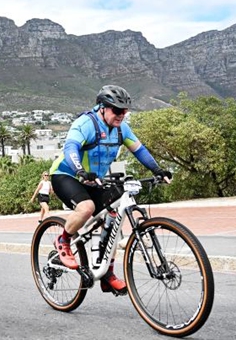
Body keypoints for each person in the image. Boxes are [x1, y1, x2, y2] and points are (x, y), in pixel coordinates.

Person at [49, 85, 172, 295]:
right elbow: (71, 148)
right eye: (117, 110)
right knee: (86, 207)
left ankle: (107, 273)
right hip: (67, 175)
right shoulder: (86, 123)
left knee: (115, 216)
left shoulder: (121, 129)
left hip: (95, 179)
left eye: (125, 111)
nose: (121, 115)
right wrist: (80, 170)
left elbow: (139, 149)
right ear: (103, 108)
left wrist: (157, 169)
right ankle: (64, 239)